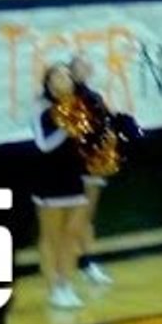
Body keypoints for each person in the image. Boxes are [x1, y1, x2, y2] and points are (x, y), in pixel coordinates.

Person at [31, 63, 91, 309]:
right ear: (49, 83)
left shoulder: (80, 106)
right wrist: (67, 129)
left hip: (75, 179)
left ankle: (66, 285)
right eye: (58, 75)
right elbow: (43, 146)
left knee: (72, 236)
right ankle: (53, 288)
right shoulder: (41, 109)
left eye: (67, 75)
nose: (64, 79)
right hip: (50, 180)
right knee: (51, 238)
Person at [69, 54, 115, 286]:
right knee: (68, 219)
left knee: (86, 217)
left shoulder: (95, 98)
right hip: (68, 166)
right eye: (78, 67)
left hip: (92, 165)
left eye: (86, 67)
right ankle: (66, 264)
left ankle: (88, 262)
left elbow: (106, 130)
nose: (82, 71)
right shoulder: (63, 99)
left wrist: (104, 160)